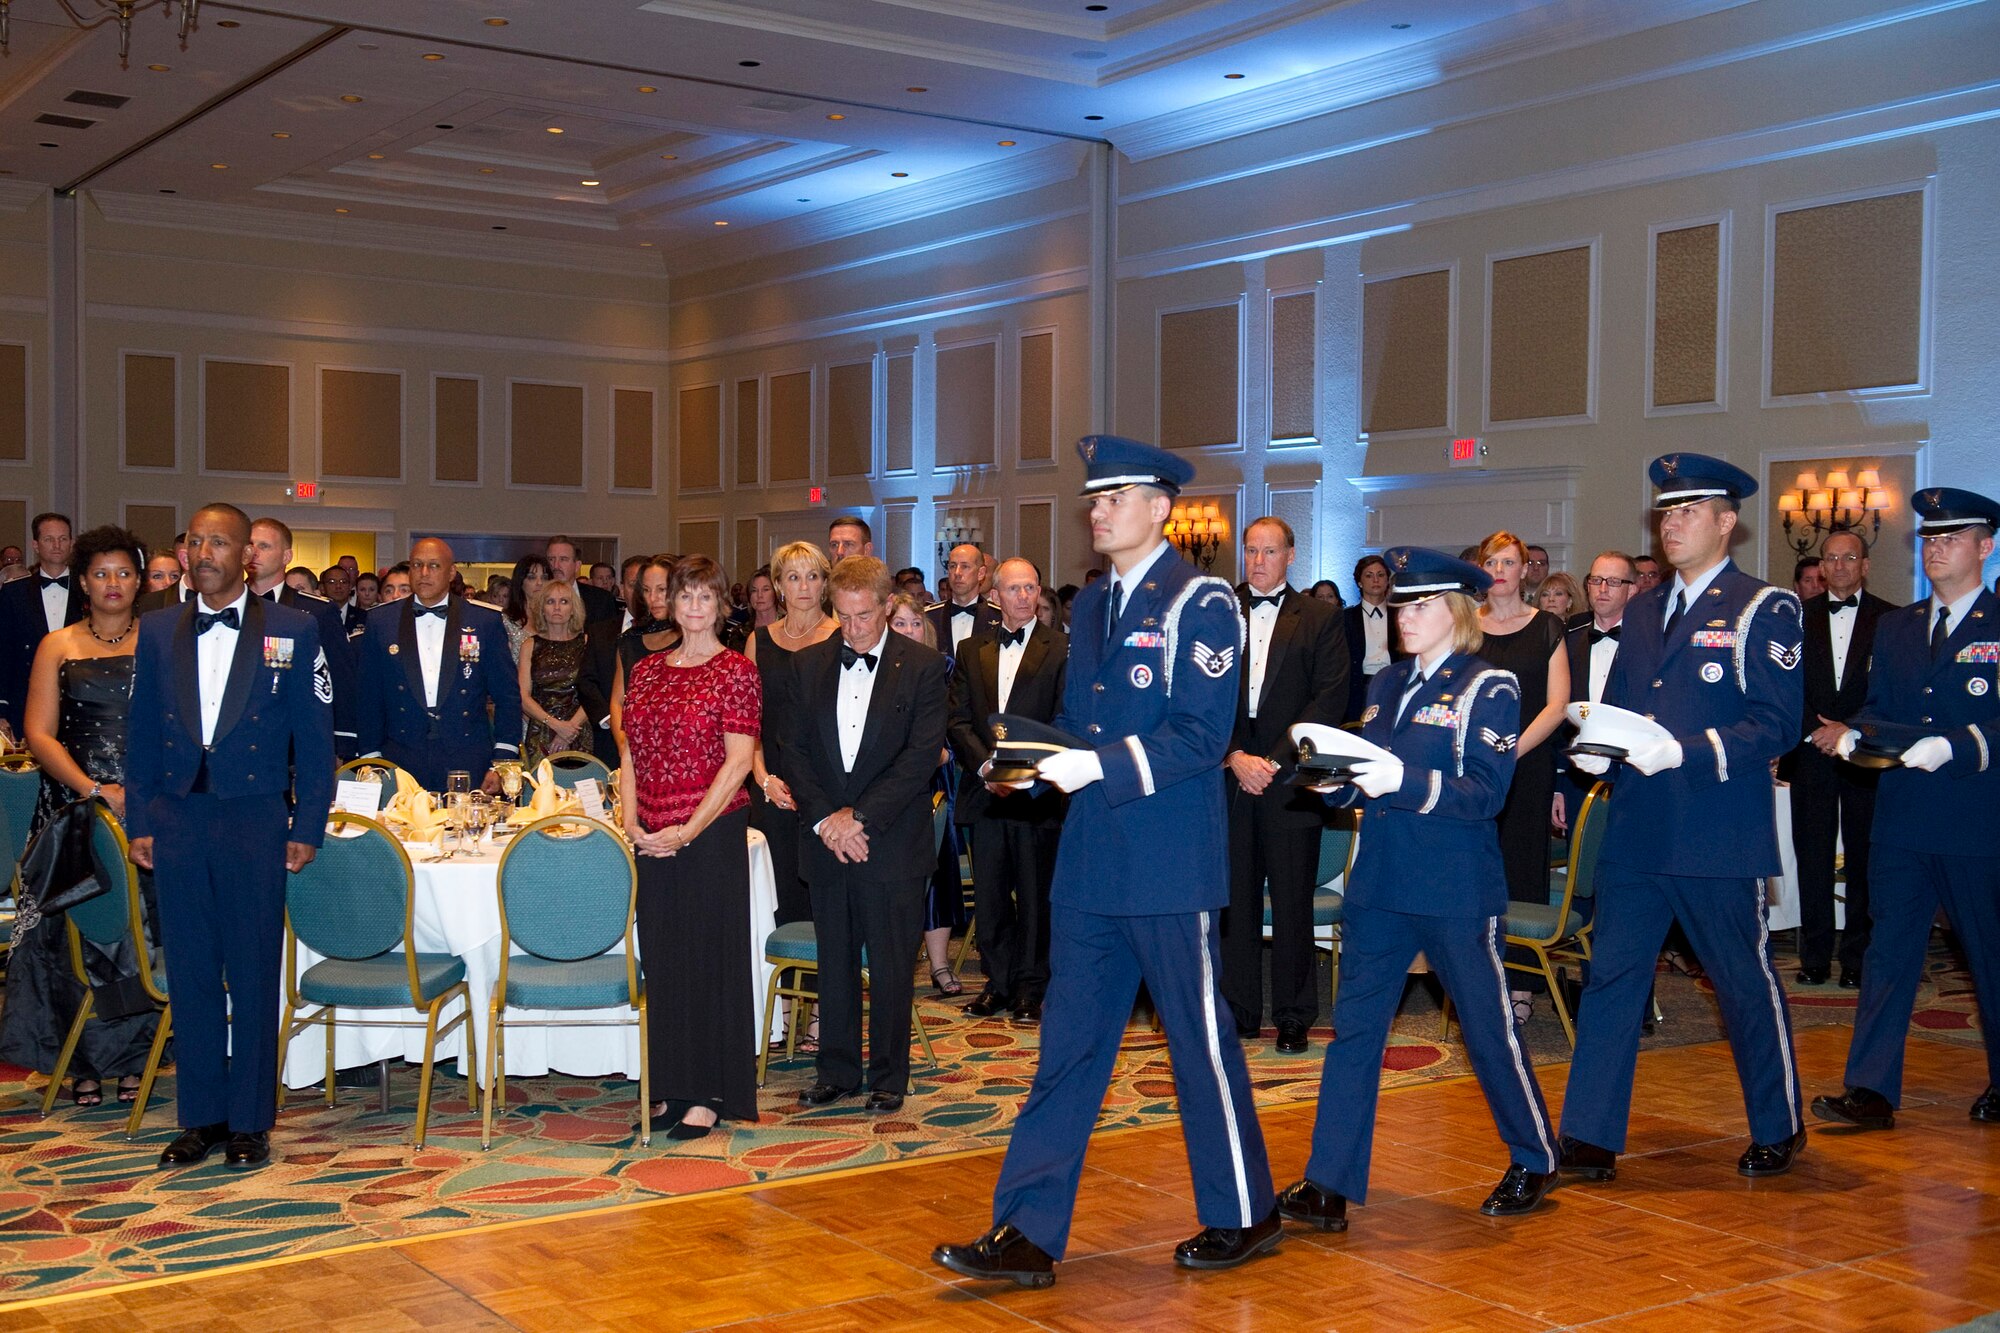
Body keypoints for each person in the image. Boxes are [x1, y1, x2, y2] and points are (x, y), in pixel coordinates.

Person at [934, 435, 1277, 1289]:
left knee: (1198, 1043)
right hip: (1090, 860)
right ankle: (1026, 1229)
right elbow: (1084, 723)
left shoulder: (1202, 603)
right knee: (1068, 1048)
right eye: (1094, 498)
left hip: (1167, 861)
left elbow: (1202, 735)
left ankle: (1245, 1209)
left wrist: (1100, 764)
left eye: (1114, 496)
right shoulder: (1088, 608)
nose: (1097, 509)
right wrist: (1039, 761)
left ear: (1160, 507)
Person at [1278, 549, 1559, 1234]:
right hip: (1380, 885)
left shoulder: (1488, 686)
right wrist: (1333, 780)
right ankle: (1330, 1180)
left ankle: (1535, 1153)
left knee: (1489, 1028)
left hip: (1455, 888)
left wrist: (1395, 781)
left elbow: (1485, 793)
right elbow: (1368, 779)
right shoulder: (1387, 684)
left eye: (1421, 603)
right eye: (1402, 603)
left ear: (1456, 611)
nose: (1406, 615)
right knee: (1355, 1033)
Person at [1564, 453, 1808, 1181]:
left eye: (1689, 510)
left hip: (1714, 827)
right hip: (1638, 826)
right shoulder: (1642, 607)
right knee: (1612, 977)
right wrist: (1599, 748)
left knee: (1740, 978)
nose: (1672, 522)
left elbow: (1777, 723)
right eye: (1666, 511)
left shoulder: (1764, 607)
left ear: (1726, 522)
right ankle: (1590, 1133)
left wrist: (1687, 751)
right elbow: (1635, 709)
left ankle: (1778, 1122)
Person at [125, 502, 335, 1170]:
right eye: (197, 540)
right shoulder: (157, 629)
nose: (206, 550)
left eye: (221, 540)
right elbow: (137, 739)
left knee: (250, 970)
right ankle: (201, 1116)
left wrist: (307, 824)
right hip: (179, 818)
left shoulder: (295, 628)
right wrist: (139, 820)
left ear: (247, 553)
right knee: (189, 970)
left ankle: (249, 1120)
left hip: (254, 818)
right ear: (184, 552)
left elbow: (317, 739)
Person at [1812, 487, 2000, 1133]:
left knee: (1989, 954)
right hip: (1901, 819)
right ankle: (1870, 1087)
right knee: (1888, 951)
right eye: (1929, 537)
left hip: (1976, 820)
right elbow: (1883, 706)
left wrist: (1957, 744)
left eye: (1952, 536)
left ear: (1986, 545)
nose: (1937, 546)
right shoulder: (1897, 626)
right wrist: (1854, 733)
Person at [777, 556, 947, 1114]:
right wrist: (829, 821)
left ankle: (889, 1077)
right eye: (843, 617)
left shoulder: (922, 666)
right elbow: (794, 753)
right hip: (827, 839)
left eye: (863, 616)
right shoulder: (808, 666)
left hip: (891, 841)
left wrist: (860, 819)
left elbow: (919, 757)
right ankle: (838, 1070)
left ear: (888, 606)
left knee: (894, 968)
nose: (853, 628)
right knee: (837, 964)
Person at [0, 526, 160, 1106]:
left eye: (123, 572)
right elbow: (39, 734)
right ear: (83, 583)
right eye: (100, 573)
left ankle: (136, 1058)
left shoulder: (164, 641)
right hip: (72, 806)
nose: (112, 584)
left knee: (142, 932)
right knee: (78, 934)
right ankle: (83, 1062)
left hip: (147, 809)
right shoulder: (57, 645)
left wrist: (137, 793)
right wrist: (95, 789)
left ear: (139, 580)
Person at [620, 554, 761, 1142]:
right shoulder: (648, 669)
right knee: (663, 957)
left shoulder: (736, 671)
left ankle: (706, 1092)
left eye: (706, 597)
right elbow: (630, 752)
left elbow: (737, 765)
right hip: (650, 835)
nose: (695, 607)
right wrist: (631, 820)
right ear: (670, 605)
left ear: (719, 605)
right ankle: (668, 1083)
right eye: (685, 597)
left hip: (709, 837)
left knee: (706, 960)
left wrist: (687, 830)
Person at [1221, 517, 1349, 1052]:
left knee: (1294, 900)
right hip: (1229, 775)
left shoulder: (1319, 617)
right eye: (1251, 551)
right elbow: (1197, 696)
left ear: (1291, 556)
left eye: (1269, 551)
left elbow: (1329, 699)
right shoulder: (1217, 612)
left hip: (1291, 777)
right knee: (1235, 900)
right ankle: (1239, 1009)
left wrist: (1268, 761)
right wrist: (1233, 755)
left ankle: (1294, 1014)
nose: (1257, 561)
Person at [946, 560, 1068, 1022]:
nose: (1022, 596)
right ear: (994, 594)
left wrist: (1021, 774)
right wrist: (987, 767)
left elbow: (1062, 722)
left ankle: (1030, 989)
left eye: (1030, 587)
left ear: (1039, 591)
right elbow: (956, 719)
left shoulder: (1060, 648)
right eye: (1013, 588)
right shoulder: (970, 647)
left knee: (1036, 897)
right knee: (992, 897)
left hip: (1037, 795)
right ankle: (997, 983)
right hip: (985, 792)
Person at [1784, 530, 1896, 988]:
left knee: (1864, 856)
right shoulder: (1795, 616)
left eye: (1850, 557)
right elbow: (1785, 684)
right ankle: (1814, 956)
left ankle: (1856, 958)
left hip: (1864, 753)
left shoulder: (1891, 620)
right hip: (1811, 752)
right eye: (1832, 558)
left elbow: (1890, 691)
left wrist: (1848, 731)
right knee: (1811, 855)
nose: (1841, 565)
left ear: (1865, 565)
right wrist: (1817, 728)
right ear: (1822, 567)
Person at [1473, 531, 1570, 1025]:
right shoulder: (1464, 627)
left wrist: (1511, 751)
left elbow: (1558, 705)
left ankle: (1523, 983)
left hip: (1525, 766)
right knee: (1474, 871)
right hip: (1471, 768)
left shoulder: (1547, 625)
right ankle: (1476, 977)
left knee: (1522, 872)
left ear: (1525, 569)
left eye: (1510, 562)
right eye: (1492, 560)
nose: (1501, 570)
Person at [354, 538, 522, 793]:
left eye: (433, 566)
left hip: (467, 756)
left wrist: (503, 761)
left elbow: (507, 697)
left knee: (467, 830)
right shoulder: (381, 620)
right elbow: (369, 696)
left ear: (451, 572)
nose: (423, 573)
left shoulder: (483, 621)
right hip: (401, 758)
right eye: (417, 565)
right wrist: (370, 759)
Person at [744, 541, 837, 930]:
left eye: (813, 576)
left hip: (826, 783)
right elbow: (746, 724)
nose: (804, 586)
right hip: (770, 782)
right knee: (777, 892)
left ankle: (825, 986)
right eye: (794, 577)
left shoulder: (841, 636)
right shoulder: (757, 641)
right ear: (779, 585)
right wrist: (763, 778)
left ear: (824, 585)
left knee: (824, 896)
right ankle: (777, 988)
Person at [888, 592, 967, 998]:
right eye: (899, 623)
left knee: (938, 871)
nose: (908, 630)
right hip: (885, 785)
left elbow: (956, 726)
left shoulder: (945, 667)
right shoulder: (877, 669)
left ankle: (939, 962)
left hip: (934, 783)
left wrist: (936, 753)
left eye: (915, 622)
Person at [246, 517, 359, 761]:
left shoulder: (316, 612)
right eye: (250, 545)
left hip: (294, 745)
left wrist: (341, 745)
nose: (254, 553)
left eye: (264, 546)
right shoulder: (226, 606)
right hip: (238, 743)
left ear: (287, 556)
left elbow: (340, 680)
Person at [1554, 552, 1638, 834]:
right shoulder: (1567, 638)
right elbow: (1556, 714)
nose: (1602, 589)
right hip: (1576, 779)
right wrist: (1558, 785)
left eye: (1614, 582)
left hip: (1631, 779)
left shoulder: (1650, 643)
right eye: (1596, 580)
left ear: (1632, 589)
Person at [0, 512, 85, 740]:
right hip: (27, 701)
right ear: (35, 545)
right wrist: (1, 708)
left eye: (63, 539)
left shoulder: (89, 590)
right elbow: (4, 653)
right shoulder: (13, 593)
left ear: (72, 543)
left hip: (79, 702)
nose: (57, 545)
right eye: (49, 539)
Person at [518, 578, 590, 769]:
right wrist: (556, 725)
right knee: (540, 795)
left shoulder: (587, 643)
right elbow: (523, 696)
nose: (557, 607)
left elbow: (595, 693)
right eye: (550, 602)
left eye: (564, 602)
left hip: (579, 730)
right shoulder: (530, 645)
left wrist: (570, 728)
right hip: (541, 732)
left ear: (573, 608)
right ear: (542, 609)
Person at [1344, 555, 1401, 722]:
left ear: (1387, 581)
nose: (1375, 580)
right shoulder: (1345, 618)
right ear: (1359, 582)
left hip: (1392, 684)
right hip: (1358, 687)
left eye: (1381, 575)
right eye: (1369, 575)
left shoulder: (1400, 615)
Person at [927, 543, 1001, 652]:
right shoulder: (929, 617)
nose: (957, 573)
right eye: (952, 566)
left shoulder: (999, 616)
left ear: (981, 573)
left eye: (965, 566)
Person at [546, 535, 619, 624]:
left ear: (577, 566)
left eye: (563, 559)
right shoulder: (539, 598)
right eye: (551, 559)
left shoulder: (602, 599)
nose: (556, 565)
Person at [501, 554, 553, 664]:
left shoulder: (555, 619)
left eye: (544, 577)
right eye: (532, 577)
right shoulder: (505, 622)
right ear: (521, 582)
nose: (539, 583)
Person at [746, 566, 780, 630]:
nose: (759, 595)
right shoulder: (741, 632)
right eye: (754, 590)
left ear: (775, 593)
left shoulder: (789, 627)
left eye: (765, 589)